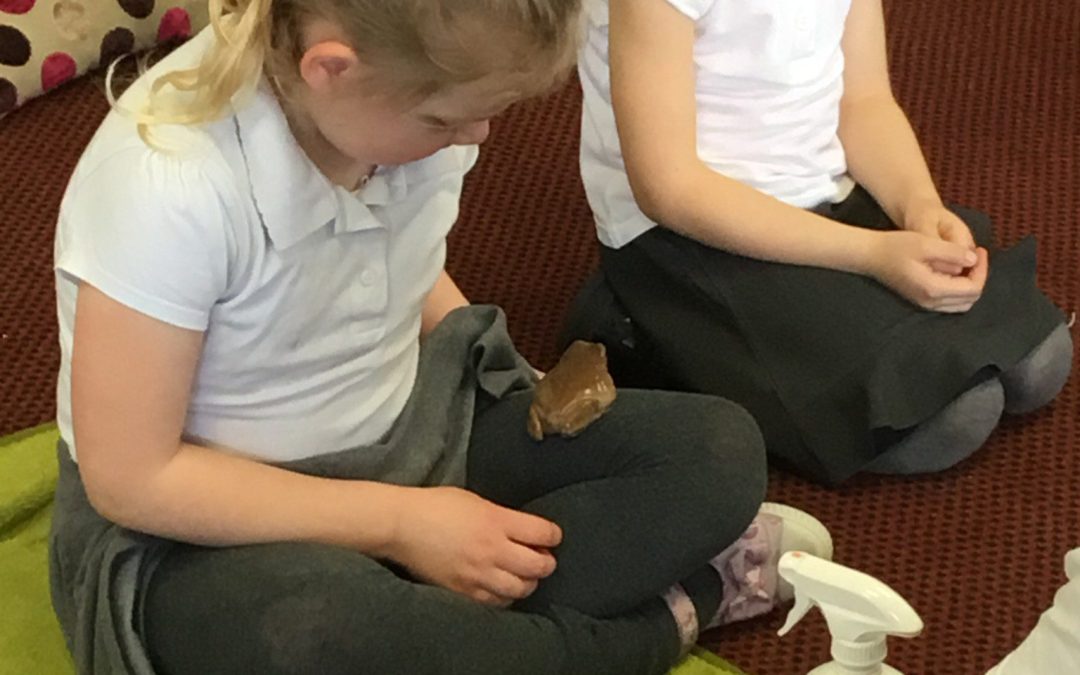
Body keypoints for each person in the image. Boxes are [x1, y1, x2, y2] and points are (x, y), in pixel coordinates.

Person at [47, 1, 830, 673]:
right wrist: (400, 523)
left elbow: (394, 257)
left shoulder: (406, 115)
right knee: (310, 633)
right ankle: (662, 620)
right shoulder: (167, 183)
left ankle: (454, 630)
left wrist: (517, 380)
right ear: (331, 68)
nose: (477, 136)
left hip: (415, 433)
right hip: (205, 533)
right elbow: (132, 479)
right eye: (446, 119)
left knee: (720, 449)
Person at [566, 0, 1073, 484]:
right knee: (957, 417)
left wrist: (919, 206)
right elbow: (670, 189)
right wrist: (870, 254)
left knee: (1040, 361)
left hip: (822, 194)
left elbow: (864, 101)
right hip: (692, 234)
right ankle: (644, 326)